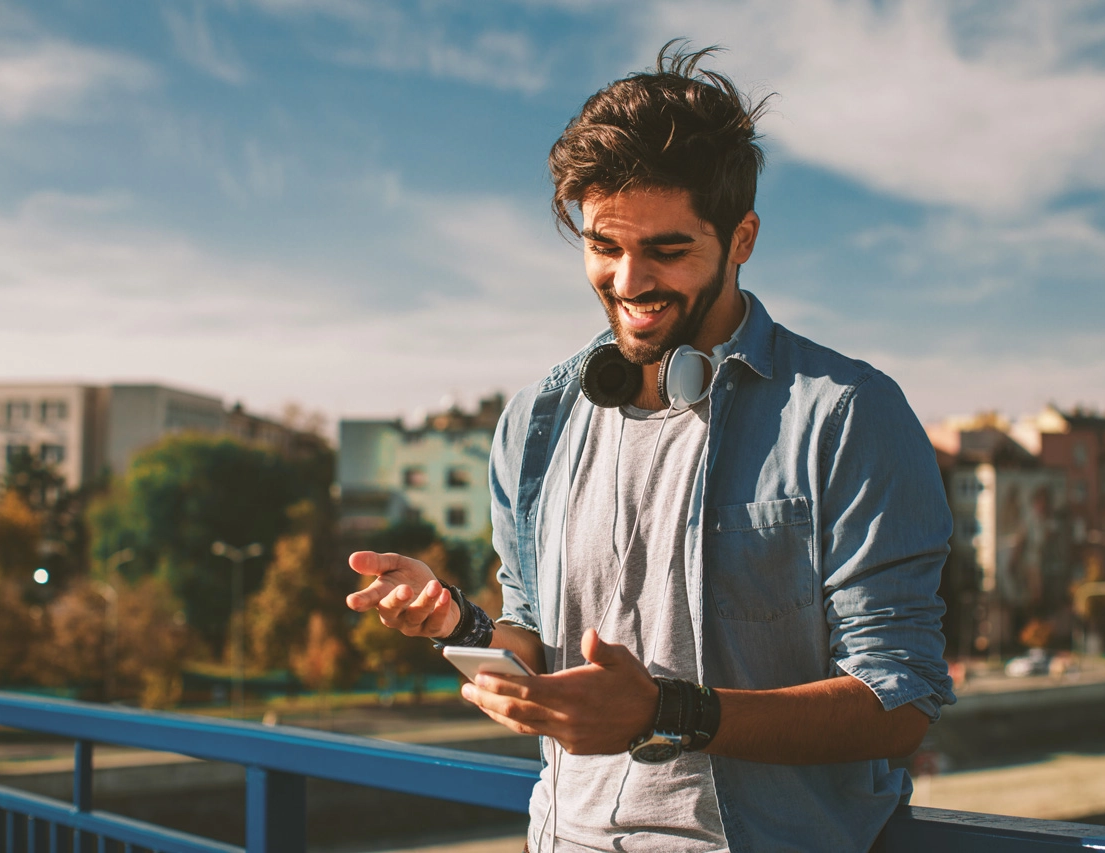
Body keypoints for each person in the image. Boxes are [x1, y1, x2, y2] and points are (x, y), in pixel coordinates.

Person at [346, 42, 954, 852]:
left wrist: (671, 713)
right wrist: (458, 620)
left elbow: (901, 700)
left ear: (741, 238)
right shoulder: (533, 423)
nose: (629, 282)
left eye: (667, 250)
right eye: (604, 246)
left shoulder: (848, 414)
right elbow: (537, 636)